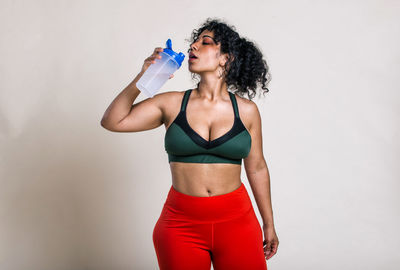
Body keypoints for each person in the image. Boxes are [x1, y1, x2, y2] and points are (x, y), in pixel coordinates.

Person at [101, 17, 279, 270]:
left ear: (225, 58)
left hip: (237, 221)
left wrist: (268, 223)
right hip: (181, 225)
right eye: (194, 42)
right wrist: (144, 75)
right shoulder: (171, 104)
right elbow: (113, 121)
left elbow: (257, 167)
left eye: (204, 42)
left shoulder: (247, 111)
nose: (193, 46)